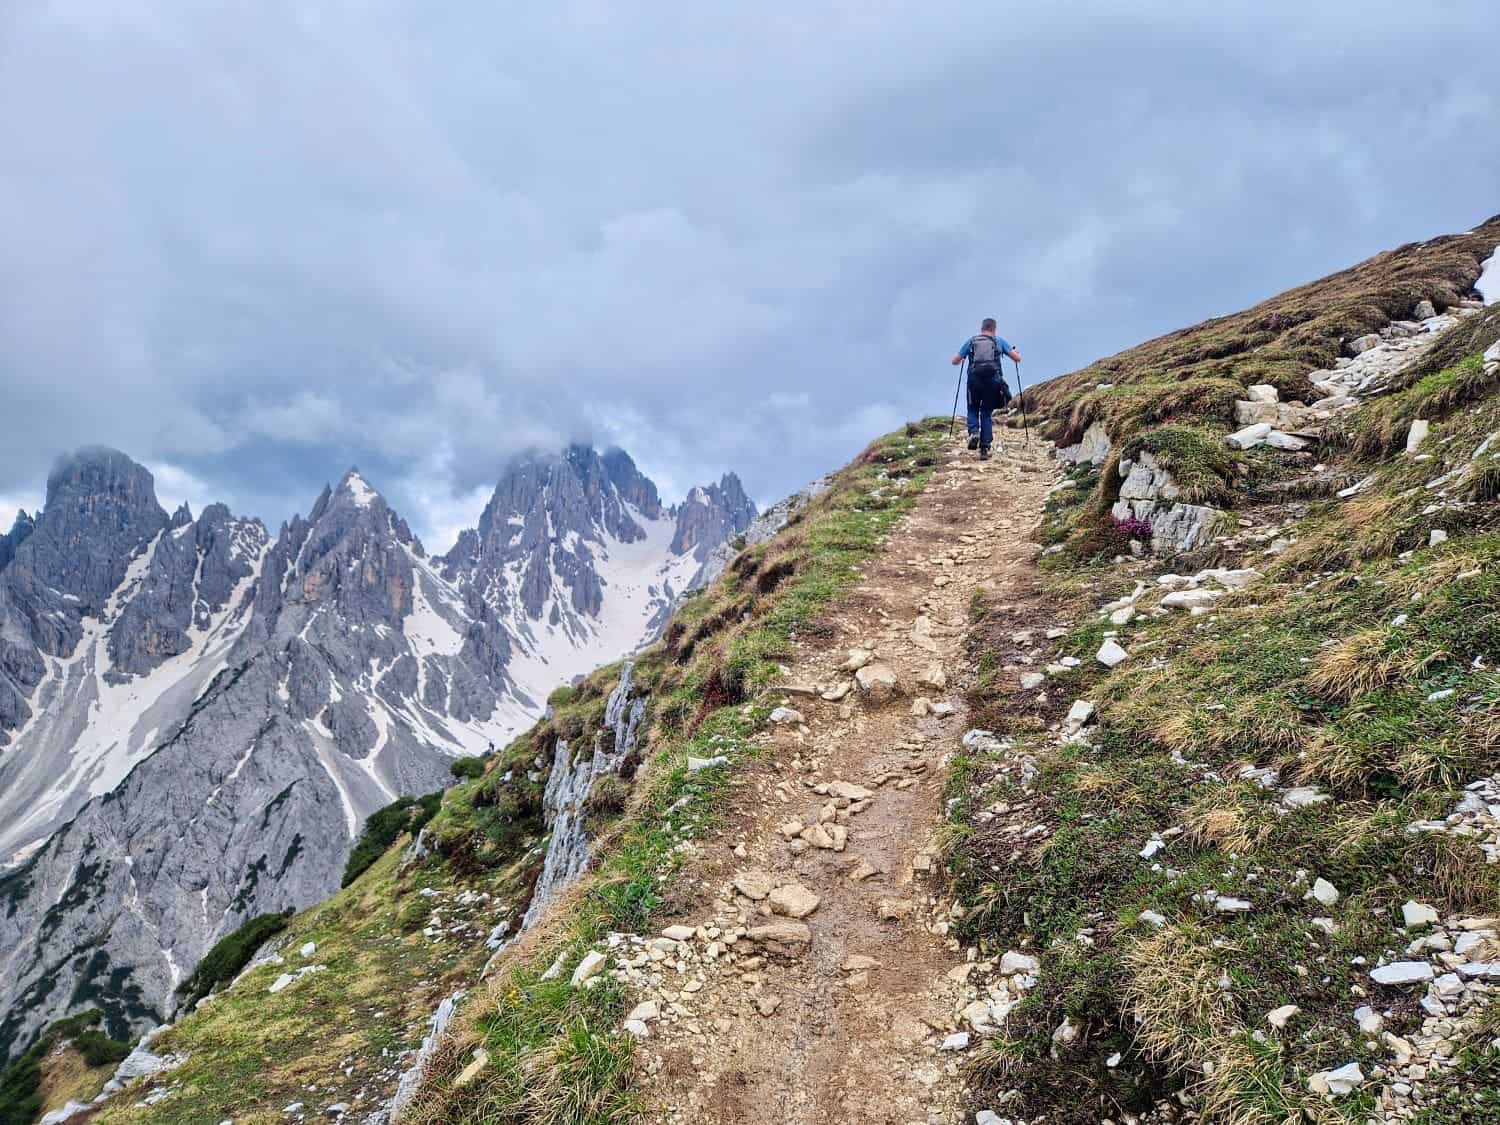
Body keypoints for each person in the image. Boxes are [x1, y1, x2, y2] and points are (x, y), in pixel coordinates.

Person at [951, 319, 1021, 460]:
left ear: (982, 328)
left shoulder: (971, 341)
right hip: (992, 381)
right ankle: (984, 448)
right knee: (986, 413)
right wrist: (1016, 352)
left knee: (972, 408)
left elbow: (954, 361)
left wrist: (962, 359)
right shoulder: (999, 341)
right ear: (994, 329)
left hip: (974, 381)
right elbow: (1017, 359)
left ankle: (974, 432)